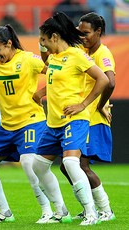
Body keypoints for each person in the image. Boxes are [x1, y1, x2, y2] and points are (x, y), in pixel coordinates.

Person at [0, 25, 54, 223]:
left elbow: (57, 73)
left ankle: (48, 211)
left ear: (9, 44)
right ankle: (5, 212)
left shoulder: (28, 59)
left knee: (30, 163)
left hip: (31, 121)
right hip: (7, 126)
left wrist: (42, 92)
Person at [32, 12, 109, 226]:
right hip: (53, 122)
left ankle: (91, 212)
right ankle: (61, 211)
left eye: (44, 40)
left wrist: (83, 104)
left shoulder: (76, 55)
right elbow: (57, 81)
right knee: (38, 166)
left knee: (70, 162)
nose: (43, 44)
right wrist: (41, 93)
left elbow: (102, 79)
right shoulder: (55, 58)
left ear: (55, 37)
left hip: (74, 119)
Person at [60, 12, 116, 222]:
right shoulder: (81, 51)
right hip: (81, 117)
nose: (82, 37)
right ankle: (90, 207)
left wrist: (100, 105)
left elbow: (109, 82)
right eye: (79, 33)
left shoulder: (103, 53)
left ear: (98, 32)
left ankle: (105, 209)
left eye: (86, 33)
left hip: (91, 119)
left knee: (79, 166)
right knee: (67, 165)